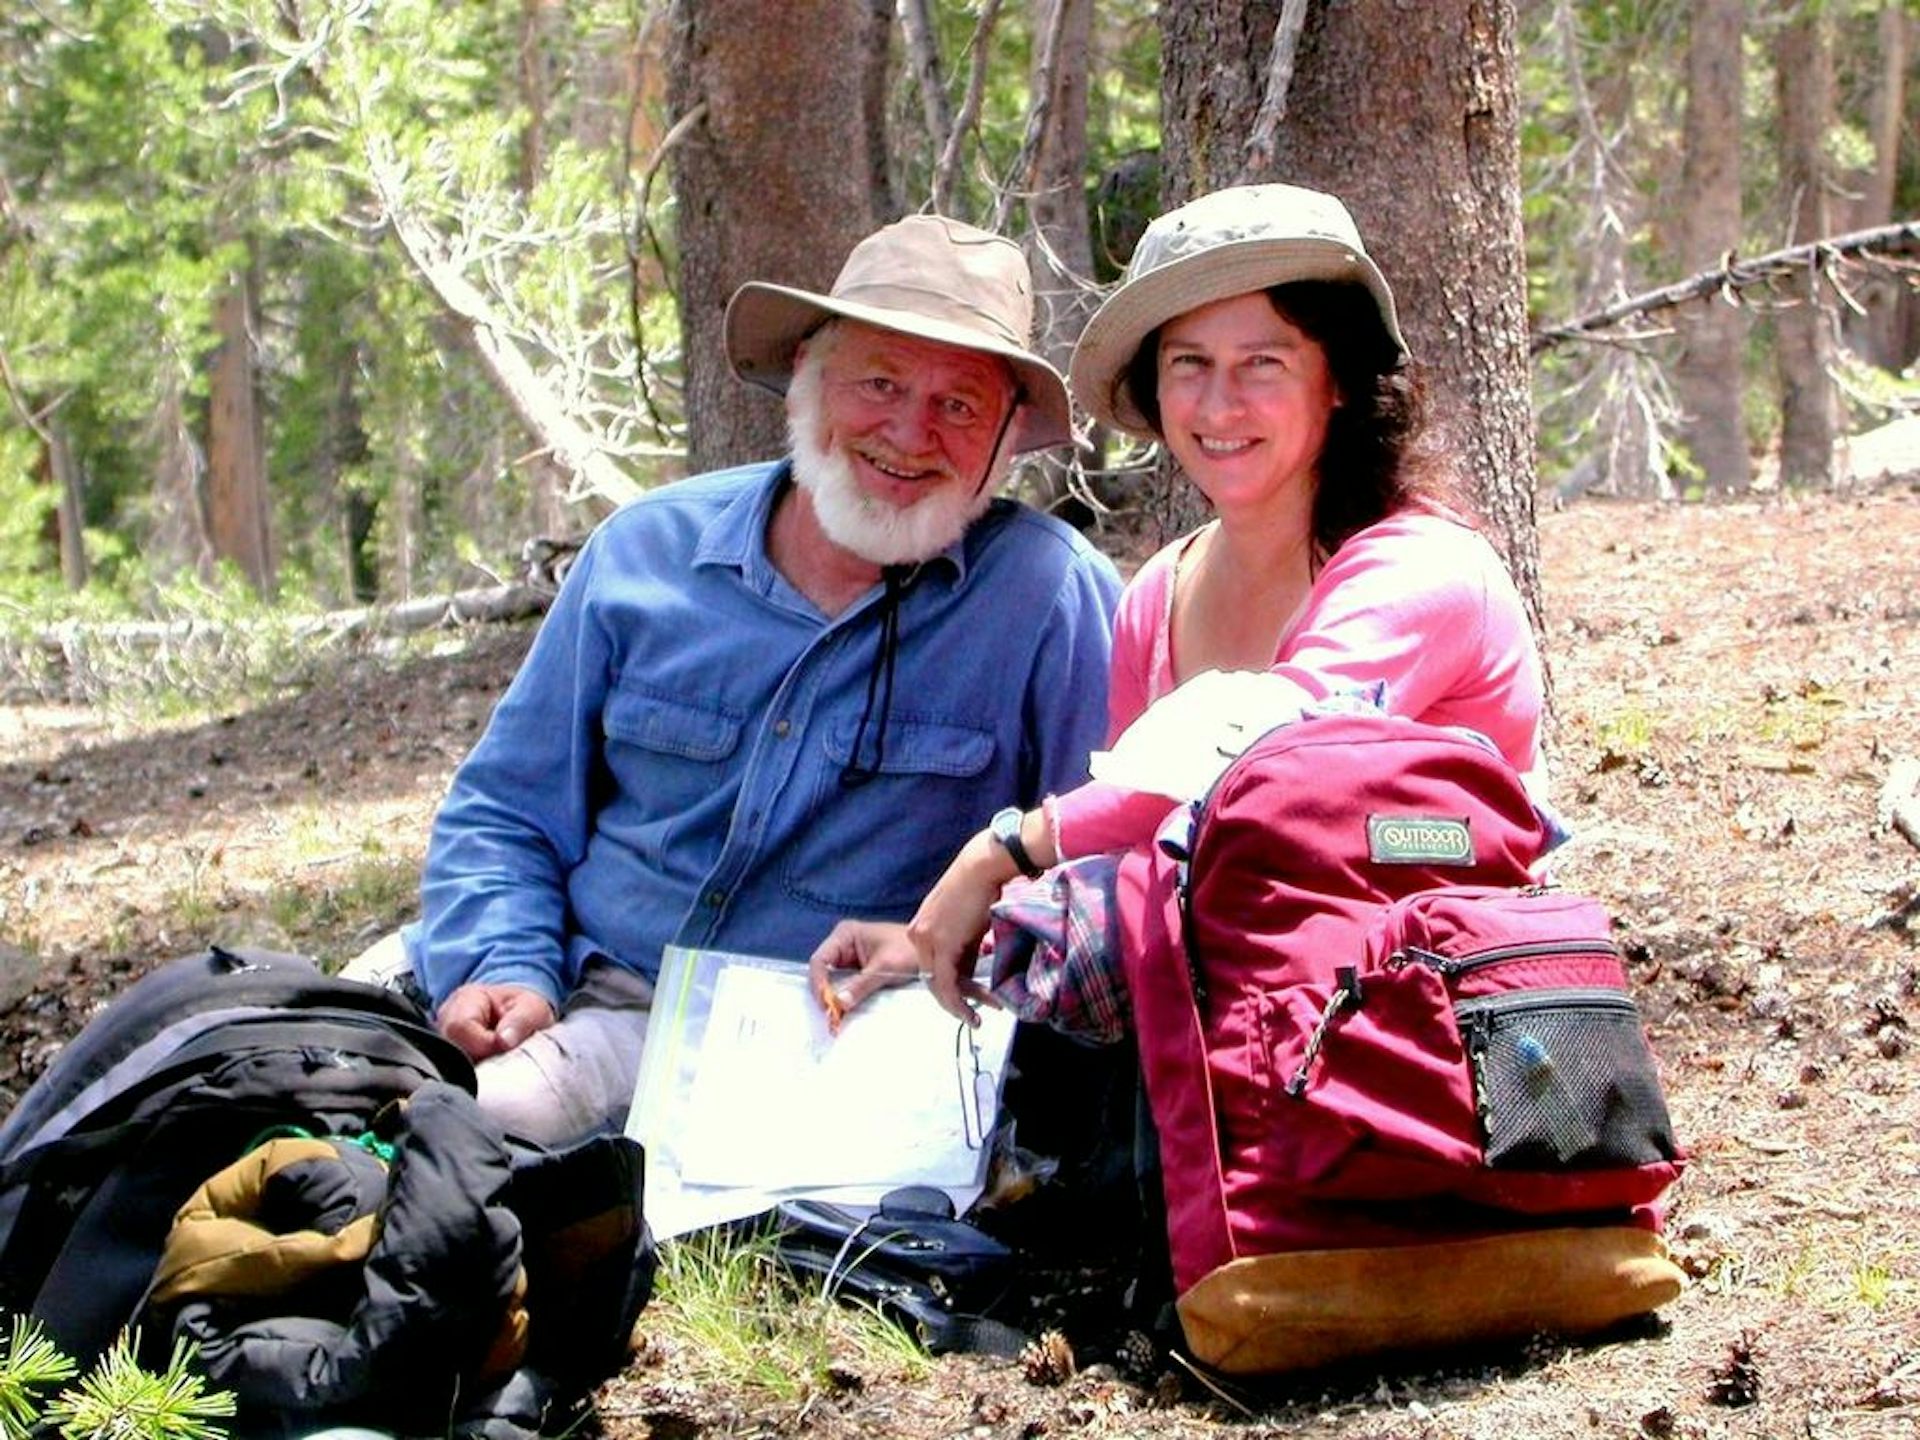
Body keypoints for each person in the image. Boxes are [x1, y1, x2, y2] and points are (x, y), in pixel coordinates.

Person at [355, 214, 1122, 1147]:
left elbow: (1096, 876)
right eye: (878, 383)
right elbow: (507, 811)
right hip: (556, 975)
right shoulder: (645, 554)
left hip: (812, 1044)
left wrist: (949, 956)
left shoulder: (1050, 600)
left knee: (449, 1140)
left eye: (959, 405)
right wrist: (501, 962)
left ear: (1008, 438)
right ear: (806, 374)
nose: (910, 434)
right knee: (250, 1055)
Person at [812, 182, 1546, 1025]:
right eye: (1188, 363)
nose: (1219, 404)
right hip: (1238, 1056)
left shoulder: (1422, 571)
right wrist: (938, 940)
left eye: (1262, 364)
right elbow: (1135, 853)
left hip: (1431, 1057)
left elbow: (1262, 760)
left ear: (1337, 380)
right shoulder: (1159, 594)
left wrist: (1000, 850)